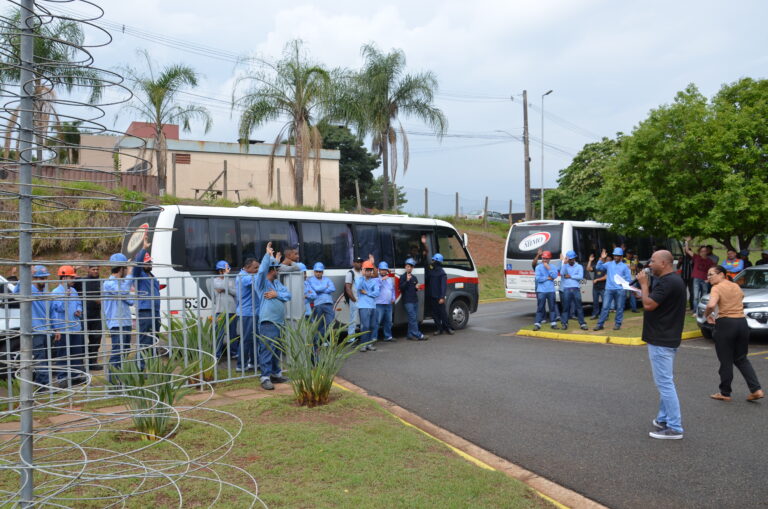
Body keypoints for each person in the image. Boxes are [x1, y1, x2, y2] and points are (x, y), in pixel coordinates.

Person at [637, 250, 687, 440]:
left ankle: (675, 427)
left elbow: (649, 305)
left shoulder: (667, 282)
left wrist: (643, 285)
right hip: (667, 336)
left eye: (653, 261)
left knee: (665, 383)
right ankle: (663, 418)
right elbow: (654, 301)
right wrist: (644, 291)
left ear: (665, 263)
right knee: (666, 381)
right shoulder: (672, 281)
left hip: (661, 339)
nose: (649, 264)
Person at [704, 265, 764, 402]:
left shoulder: (716, 288)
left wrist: (707, 315)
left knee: (726, 360)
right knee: (741, 358)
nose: (708, 277)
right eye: (707, 275)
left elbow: (711, 304)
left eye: (711, 274)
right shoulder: (735, 286)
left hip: (726, 324)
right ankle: (756, 389)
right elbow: (740, 298)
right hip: (742, 323)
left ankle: (725, 393)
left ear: (721, 275)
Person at [254, 243, 291, 390]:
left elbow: (288, 295)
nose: (278, 271)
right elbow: (262, 270)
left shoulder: (276, 284)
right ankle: (265, 377)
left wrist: (277, 294)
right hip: (268, 322)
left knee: (276, 349)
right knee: (267, 349)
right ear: (272, 269)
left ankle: (276, 374)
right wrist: (267, 255)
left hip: (279, 322)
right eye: (276, 268)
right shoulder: (262, 284)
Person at [12, 265, 56, 386]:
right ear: (34, 279)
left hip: (47, 331)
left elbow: (52, 312)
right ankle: (44, 384)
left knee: (46, 359)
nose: (44, 281)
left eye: (45, 278)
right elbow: (16, 292)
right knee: (40, 358)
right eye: (41, 278)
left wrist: (55, 329)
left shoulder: (47, 294)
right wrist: (24, 276)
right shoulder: (29, 290)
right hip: (36, 331)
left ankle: (41, 383)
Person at [50, 266, 85, 385]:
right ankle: (62, 378)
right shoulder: (55, 292)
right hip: (63, 328)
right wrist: (66, 298)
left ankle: (75, 376)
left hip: (75, 327)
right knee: (63, 354)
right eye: (71, 277)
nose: (73, 279)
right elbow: (57, 309)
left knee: (76, 353)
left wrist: (79, 310)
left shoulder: (74, 291)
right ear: (64, 277)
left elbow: (79, 303)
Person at [102, 253, 134, 383]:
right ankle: (113, 382)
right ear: (122, 269)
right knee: (117, 354)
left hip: (126, 321)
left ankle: (121, 379)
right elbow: (124, 293)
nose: (127, 270)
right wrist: (131, 275)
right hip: (116, 323)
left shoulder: (121, 284)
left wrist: (125, 293)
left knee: (124, 352)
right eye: (126, 267)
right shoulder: (109, 283)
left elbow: (131, 300)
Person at [133, 235, 160, 370]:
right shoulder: (139, 275)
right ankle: (139, 368)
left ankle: (151, 366)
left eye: (150, 262)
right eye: (147, 262)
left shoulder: (152, 276)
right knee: (144, 341)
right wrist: (143, 249)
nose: (150, 264)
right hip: (145, 312)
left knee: (153, 340)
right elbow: (136, 265)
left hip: (154, 311)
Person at [594, 248, 632, 331]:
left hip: (620, 290)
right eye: (614, 255)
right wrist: (602, 258)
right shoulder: (609, 264)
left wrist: (622, 279)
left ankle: (618, 324)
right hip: (609, 289)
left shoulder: (625, 267)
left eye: (617, 256)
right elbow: (598, 267)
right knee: (605, 307)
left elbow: (629, 279)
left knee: (619, 307)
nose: (615, 257)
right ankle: (600, 324)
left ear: (621, 256)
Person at [75, 265, 103, 371]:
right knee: (81, 340)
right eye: (93, 269)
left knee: (96, 339)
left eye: (97, 269)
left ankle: (92, 362)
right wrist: (74, 270)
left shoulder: (101, 282)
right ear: (88, 270)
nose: (95, 271)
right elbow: (70, 280)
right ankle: (80, 364)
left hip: (96, 315)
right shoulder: (82, 280)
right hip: (83, 315)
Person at [236, 257, 260, 372]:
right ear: (247, 267)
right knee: (246, 339)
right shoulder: (244, 277)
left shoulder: (247, 275)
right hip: (247, 313)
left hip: (252, 312)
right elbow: (257, 280)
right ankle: (241, 365)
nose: (258, 270)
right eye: (256, 268)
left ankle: (253, 363)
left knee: (254, 339)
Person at [210, 260, 238, 360]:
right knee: (219, 334)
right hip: (220, 310)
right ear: (219, 271)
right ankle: (217, 355)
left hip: (232, 310)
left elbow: (235, 292)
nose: (224, 272)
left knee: (233, 333)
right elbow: (220, 287)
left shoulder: (232, 280)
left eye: (225, 270)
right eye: (222, 270)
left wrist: (226, 289)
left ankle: (234, 353)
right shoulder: (215, 280)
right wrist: (226, 287)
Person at [355, 259, 381, 351]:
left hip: (372, 306)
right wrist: (362, 276)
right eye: (367, 270)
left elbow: (377, 293)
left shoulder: (374, 281)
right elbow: (358, 288)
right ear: (363, 270)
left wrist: (367, 293)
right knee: (365, 326)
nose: (369, 272)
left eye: (370, 270)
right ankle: (363, 345)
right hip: (363, 306)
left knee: (372, 326)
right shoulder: (359, 280)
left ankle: (369, 344)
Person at [426, 253, 454, 336]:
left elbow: (443, 286)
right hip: (432, 296)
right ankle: (439, 329)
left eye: (434, 260)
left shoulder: (442, 273)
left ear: (437, 262)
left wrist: (442, 297)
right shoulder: (431, 271)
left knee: (443, 313)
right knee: (434, 314)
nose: (432, 261)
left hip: (439, 297)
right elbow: (427, 280)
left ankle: (448, 328)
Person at [307, 262, 336, 339]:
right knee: (319, 324)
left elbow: (333, 288)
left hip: (328, 303)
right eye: (316, 271)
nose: (318, 273)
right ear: (314, 271)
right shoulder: (310, 280)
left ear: (322, 272)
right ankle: (321, 343)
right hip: (318, 304)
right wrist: (326, 287)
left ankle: (319, 337)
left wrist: (320, 290)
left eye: (320, 272)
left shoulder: (327, 279)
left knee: (331, 322)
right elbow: (315, 289)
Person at [559, 251, 587, 330]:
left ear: (574, 258)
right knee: (565, 307)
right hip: (566, 289)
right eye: (569, 259)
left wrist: (570, 276)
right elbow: (562, 273)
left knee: (579, 307)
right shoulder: (565, 265)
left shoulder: (579, 266)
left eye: (572, 259)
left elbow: (580, 276)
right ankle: (564, 323)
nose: (571, 260)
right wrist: (564, 263)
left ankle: (582, 323)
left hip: (576, 289)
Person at [685, 242, 714, 316]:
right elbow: (687, 250)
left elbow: (713, 271)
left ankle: (703, 311)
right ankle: (695, 312)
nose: (703, 253)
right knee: (696, 296)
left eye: (705, 251)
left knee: (704, 297)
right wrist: (687, 242)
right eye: (702, 251)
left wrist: (709, 279)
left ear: (707, 252)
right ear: (699, 252)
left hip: (705, 280)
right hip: (696, 279)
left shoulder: (710, 261)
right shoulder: (696, 257)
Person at [533, 251, 559, 331]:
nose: (544, 260)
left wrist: (548, 268)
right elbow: (537, 279)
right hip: (541, 291)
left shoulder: (553, 267)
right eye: (543, 258)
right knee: (540, 307)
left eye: (546, 259)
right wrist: (547, 278)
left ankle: (553, 323)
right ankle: (537, 324)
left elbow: (554, 276)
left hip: (551, 290)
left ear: (549, 259)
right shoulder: (538, 267)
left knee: (552, 307)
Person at [401, 258, 426, 340]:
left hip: (415, 300)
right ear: (405, 267)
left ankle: (410, 335)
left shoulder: (414, 277)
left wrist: (417, 288)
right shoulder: (403, 277)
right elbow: (401, 288)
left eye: (411, 267)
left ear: (412, 268)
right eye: (408, 266)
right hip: (408, 301)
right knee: (412, 318)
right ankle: (418, 334)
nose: (409, 268)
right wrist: (407, 281)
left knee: (413, 318)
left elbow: (415, 289)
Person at [373, 261, 396, 342]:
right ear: (379, 270)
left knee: (388, 321)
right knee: (377, 321)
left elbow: (392, 289)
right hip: (379, 303)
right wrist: (382, 279)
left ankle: (388, 336)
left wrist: (393, 298)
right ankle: (374, 338)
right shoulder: (376, 279)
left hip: (389, 303)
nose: (384, 271)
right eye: (382, 270)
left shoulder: (390, 279)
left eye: (385, 270)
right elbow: (375, 288)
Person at [344, 257, 364, 337]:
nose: (359, 263)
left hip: (363, 300)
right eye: (357, 262)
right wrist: (354, 299)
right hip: (355, 300)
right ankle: (351, 339)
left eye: (360, 262)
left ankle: (363, 338)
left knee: (363, 320)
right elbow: (348, 288)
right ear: (353, 263)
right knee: (353, 320)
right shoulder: (350, 273)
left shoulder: (362, 272)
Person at [587, 253, 607, 319]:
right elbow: (588, 269)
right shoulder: (596, 266)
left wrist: (597, 280)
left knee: (605, 302)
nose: (600, 260)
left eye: (601, 259)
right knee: (595, 302)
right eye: (599, 259)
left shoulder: (605, 267)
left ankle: (605, 315)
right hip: (595, 288)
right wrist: (590, 261)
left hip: (603, 287)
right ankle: (595, 314)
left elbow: (606, 277)